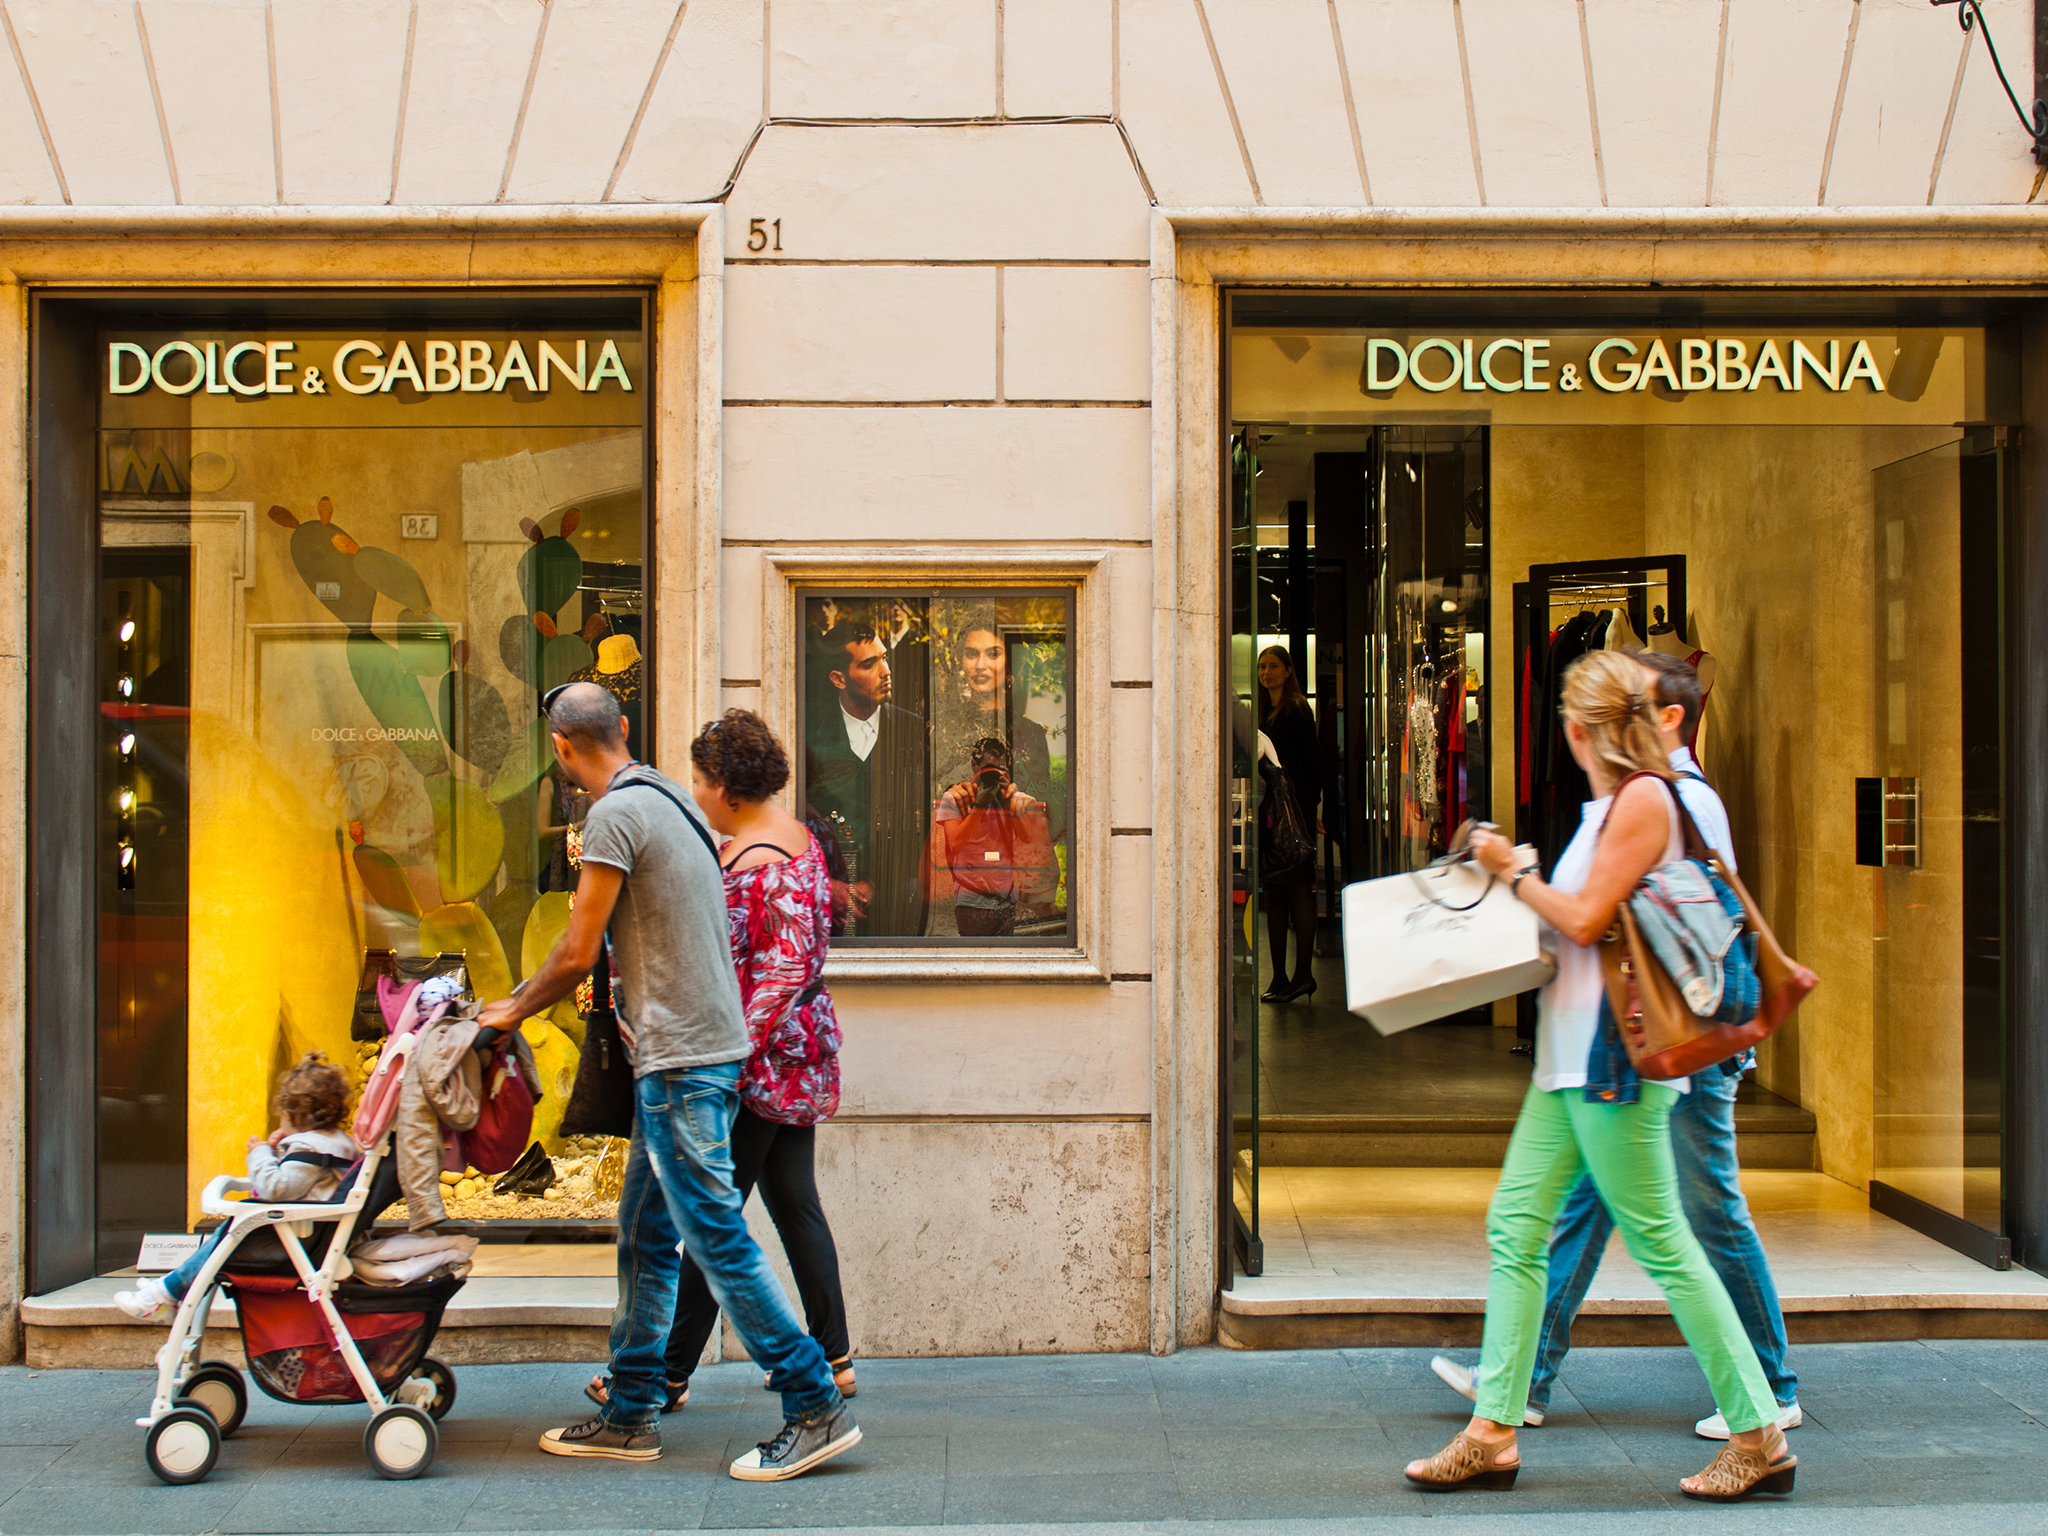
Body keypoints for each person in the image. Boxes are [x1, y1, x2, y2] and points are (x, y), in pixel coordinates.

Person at [1403, 650, 1793, 1502]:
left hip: (1613, 1064)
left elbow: (1582, 920)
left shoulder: (1647, 800)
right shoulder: (1611, 805)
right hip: (1567, 1061)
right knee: (1516, 1227)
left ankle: (1760, 1429)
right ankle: (1494, 1431)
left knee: (1664, 1242)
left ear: (1579, 728)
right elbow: (1575, 929)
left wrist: (1516, 873)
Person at [485, 682, 859, 1481]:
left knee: (715, 1239)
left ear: (559, 749)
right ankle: (630, 1411)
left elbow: (578, 949)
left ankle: (811, 1399)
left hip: (681, 1060)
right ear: (623, 728)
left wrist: (511, 1010)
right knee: (649, 1239)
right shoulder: (669, 799)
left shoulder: (615, 814)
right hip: (689, 1054)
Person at [582, 709, 856, 1414]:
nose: (694, 793)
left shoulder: (762, 857)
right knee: (794, 1203)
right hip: (786, 1055)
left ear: (730, 787)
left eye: (701, 781)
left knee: (711, 1219)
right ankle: (835, 1355)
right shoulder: (789, 838)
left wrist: (731, 1054)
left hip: (757, 1063)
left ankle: (665, 1373)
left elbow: (780, 971)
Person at [115, 1053, 356, 1320]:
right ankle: (170, 1289)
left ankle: (161, 1294)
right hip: (307, 1235)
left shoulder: (309, 1148)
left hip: (290, 1242)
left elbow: (275, 1188)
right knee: (223, 1237)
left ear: (292, 1115)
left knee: (224, 1238)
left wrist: (261, 1153)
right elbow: (302, 1185)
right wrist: (278, 1151)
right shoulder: (338, 1144)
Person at [805, 620, 930, 937]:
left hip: (900, 898)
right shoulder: (810, 738)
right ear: (838, 678)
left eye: (884, 657)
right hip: (829, 901)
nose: (886, 671)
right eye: (869, 663)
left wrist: (888, 880)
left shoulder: (913, 731)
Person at [923, 735, 1058, 936]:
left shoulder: (1010, 798)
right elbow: (956, 843)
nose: (992, 776)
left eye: (998, 770)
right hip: (972, 903)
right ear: (973, 765)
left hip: (1006, 901)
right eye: (987, 769)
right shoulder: (956, 799)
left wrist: (1008, 799)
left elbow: (1026, 836)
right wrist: (980, 805)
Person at [1256, 645, 1320, 1003]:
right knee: (1276, 893)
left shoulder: (1296, 710)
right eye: (1263, 666)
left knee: (1297, 891)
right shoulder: (1268, 713)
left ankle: (1302, 975)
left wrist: (1308, 813)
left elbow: (1313, 764)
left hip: (1294, 816)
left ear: (1289, 670)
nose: (1267, 672)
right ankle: (1280, 976)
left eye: (1274, 666)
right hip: (1275, 815)